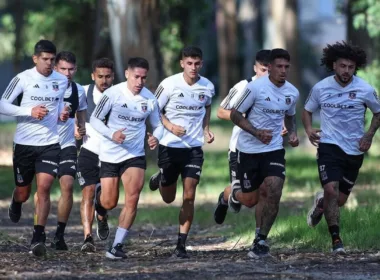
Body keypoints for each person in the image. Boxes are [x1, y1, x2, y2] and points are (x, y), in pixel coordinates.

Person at [303, 41, 380, 253]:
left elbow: (378, 113)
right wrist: (309, 130)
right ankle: (336, 240)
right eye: (343, 66)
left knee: (339, 200)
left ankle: (321, 205)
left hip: (355, 148)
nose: (346, 71)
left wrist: (369, 135)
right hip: (329, 145)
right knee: (331, 189)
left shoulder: (365, 89)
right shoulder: (321, 87)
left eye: (351, 67)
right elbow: (307, 110)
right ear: (334, 65)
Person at [0, 40, 69, 256]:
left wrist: (61, 114)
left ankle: (38, 236)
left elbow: (57, 106)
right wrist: (29, 111)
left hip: (49, 143)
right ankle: (17, 200)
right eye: (45, 59)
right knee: (24, 191)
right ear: (35, 58)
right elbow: (2, 104)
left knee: (45, 188)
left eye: (52, 60)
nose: (49, 64)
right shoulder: (23, 78)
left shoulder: (61, 80)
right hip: (24, 145)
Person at [229, 48, 299, 258]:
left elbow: (290, 116)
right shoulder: (255, 88)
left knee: (273, 189)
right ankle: (231, 194)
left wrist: (293, 133)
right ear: (269, 67)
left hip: (273, 149)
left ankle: (260, 239)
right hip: (249, 149)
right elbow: (234, 114)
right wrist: (256, 132)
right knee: (251, 199)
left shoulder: (292, 92)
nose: (283, 71)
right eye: (279, 66)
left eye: (287, 67)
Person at [91, 57, 163, 259]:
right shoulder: (112, 94)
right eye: (136, 77)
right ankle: (100, 206)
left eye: (144, 78)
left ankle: (116, 246)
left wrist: (155, 137)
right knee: (109, 202)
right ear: (127, 74)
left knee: (133, 198)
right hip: (110, 154)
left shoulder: (149, 99)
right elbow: (95, 119)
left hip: (134, 154)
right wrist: (111, 134)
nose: (140, 82)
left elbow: (158, 125)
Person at [149, 46, 215, 258]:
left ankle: (181, 244)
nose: (193, 68)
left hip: (193, 149)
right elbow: (154, 110)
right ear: (182, 63)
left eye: (197, 64)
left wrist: (206, 129)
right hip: (169, 146)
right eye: (189, 63)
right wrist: (169, 126)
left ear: (201, 64)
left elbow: (207, 107)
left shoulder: (207, 86)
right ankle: (161, 179)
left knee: (189, 196)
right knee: (168, 198)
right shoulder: (168, 85)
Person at [214, 50, 271, 234]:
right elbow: (221, 111)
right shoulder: (244, 86)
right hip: (241, 149)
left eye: (270, 70)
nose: (267, 74)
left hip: (267, 149)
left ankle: (259, 238)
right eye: (263, 70)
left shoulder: (279, 89)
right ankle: (226, 196)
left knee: (265, 192)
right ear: (255, 68)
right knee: (249, 200)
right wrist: (243, 117)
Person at [47, 51, 87, 250]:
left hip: (67, 145)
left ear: (76, 69)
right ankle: (38, 232)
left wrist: (80, 129)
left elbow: (80, 117)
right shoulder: (46, 88)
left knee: (68, 186)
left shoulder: (79, 90)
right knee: (42, 190)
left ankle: (59, 236)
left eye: (71, 69)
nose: (67, 73)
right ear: (55, 69)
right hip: (44, 144)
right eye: (63, 69)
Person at [76, 58, 114, 252]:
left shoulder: (120, 95)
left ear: (113, 77)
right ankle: (87, 238)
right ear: (93, 76)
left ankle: (102, 213)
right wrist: (75, 129)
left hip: (111, 155)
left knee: (107, 198)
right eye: (100, 76)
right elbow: (68, 112)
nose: (104, 80)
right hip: (88, 151)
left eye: (108, 76)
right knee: (88, 193)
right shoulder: (83, 91)